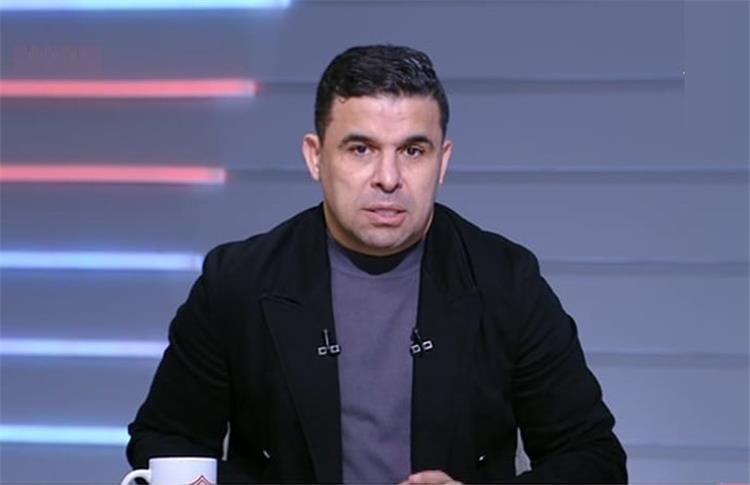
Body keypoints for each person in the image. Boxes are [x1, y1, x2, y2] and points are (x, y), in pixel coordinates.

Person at [127, 44, 627, 484]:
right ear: (316, 157)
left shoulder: (506, 281)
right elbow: (165, 441)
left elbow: (593, 459)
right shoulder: (237, 282)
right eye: (361, 149)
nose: (388, 178)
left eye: (413, 150)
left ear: (443, 161)